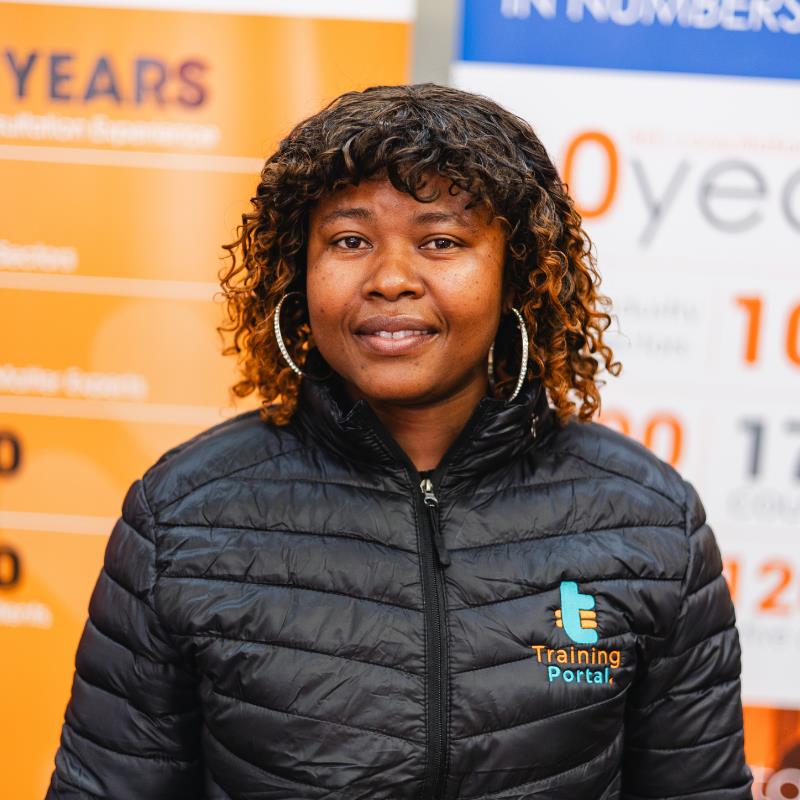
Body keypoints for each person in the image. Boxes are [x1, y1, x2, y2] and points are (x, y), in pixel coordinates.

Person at [46, 83, 753, 799]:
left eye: (441, 241)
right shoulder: (181, 518)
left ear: (517, 273)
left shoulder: (649, 523)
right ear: (298, 269)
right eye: (349, 241)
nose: (389, 280)